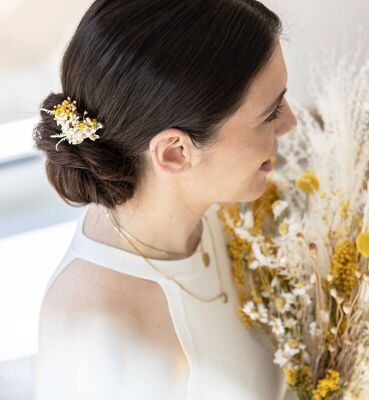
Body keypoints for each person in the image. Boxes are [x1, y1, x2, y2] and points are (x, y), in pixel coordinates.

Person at [32, 0, 297, 399]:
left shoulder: (231, 212)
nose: (291, 123)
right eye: (270, 113)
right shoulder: (101, 337)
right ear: (174, 152)